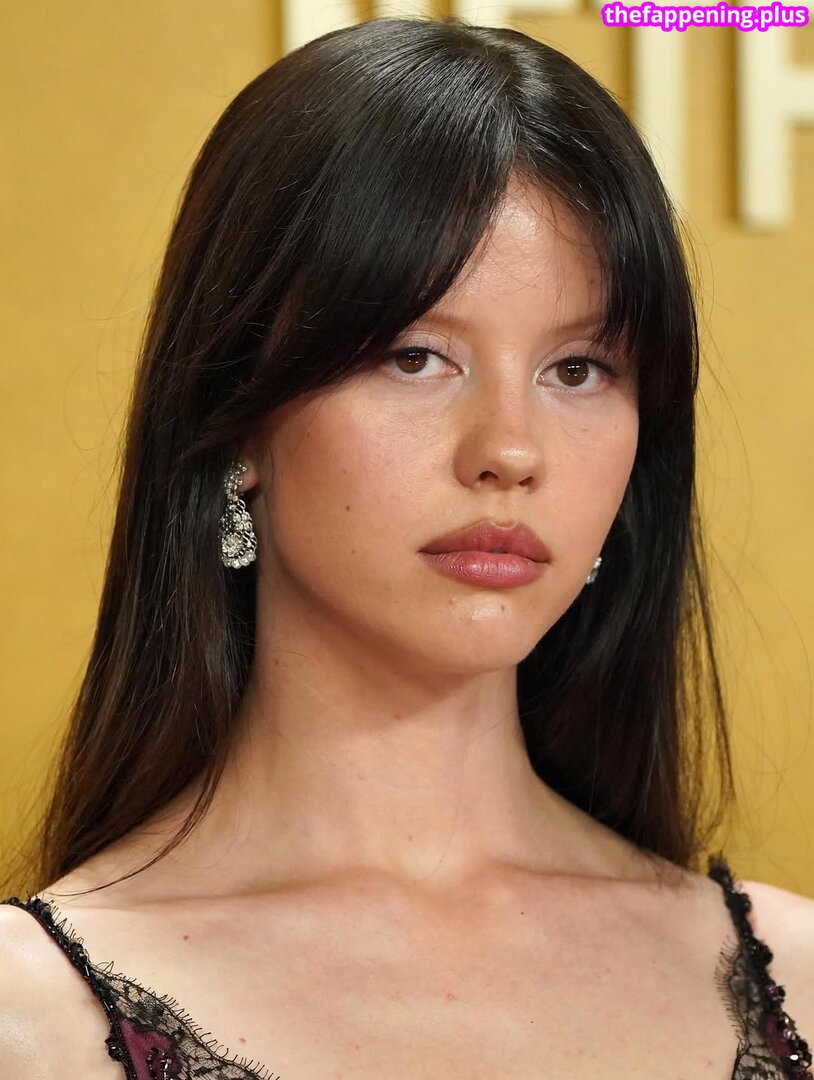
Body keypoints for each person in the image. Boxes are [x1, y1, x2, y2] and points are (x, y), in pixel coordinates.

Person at [1, 14, 812, 1079]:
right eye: (415, 356)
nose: (509, 450)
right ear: (238, 419)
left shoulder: (796, 976)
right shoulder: (32, 1019)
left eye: (577, 370)